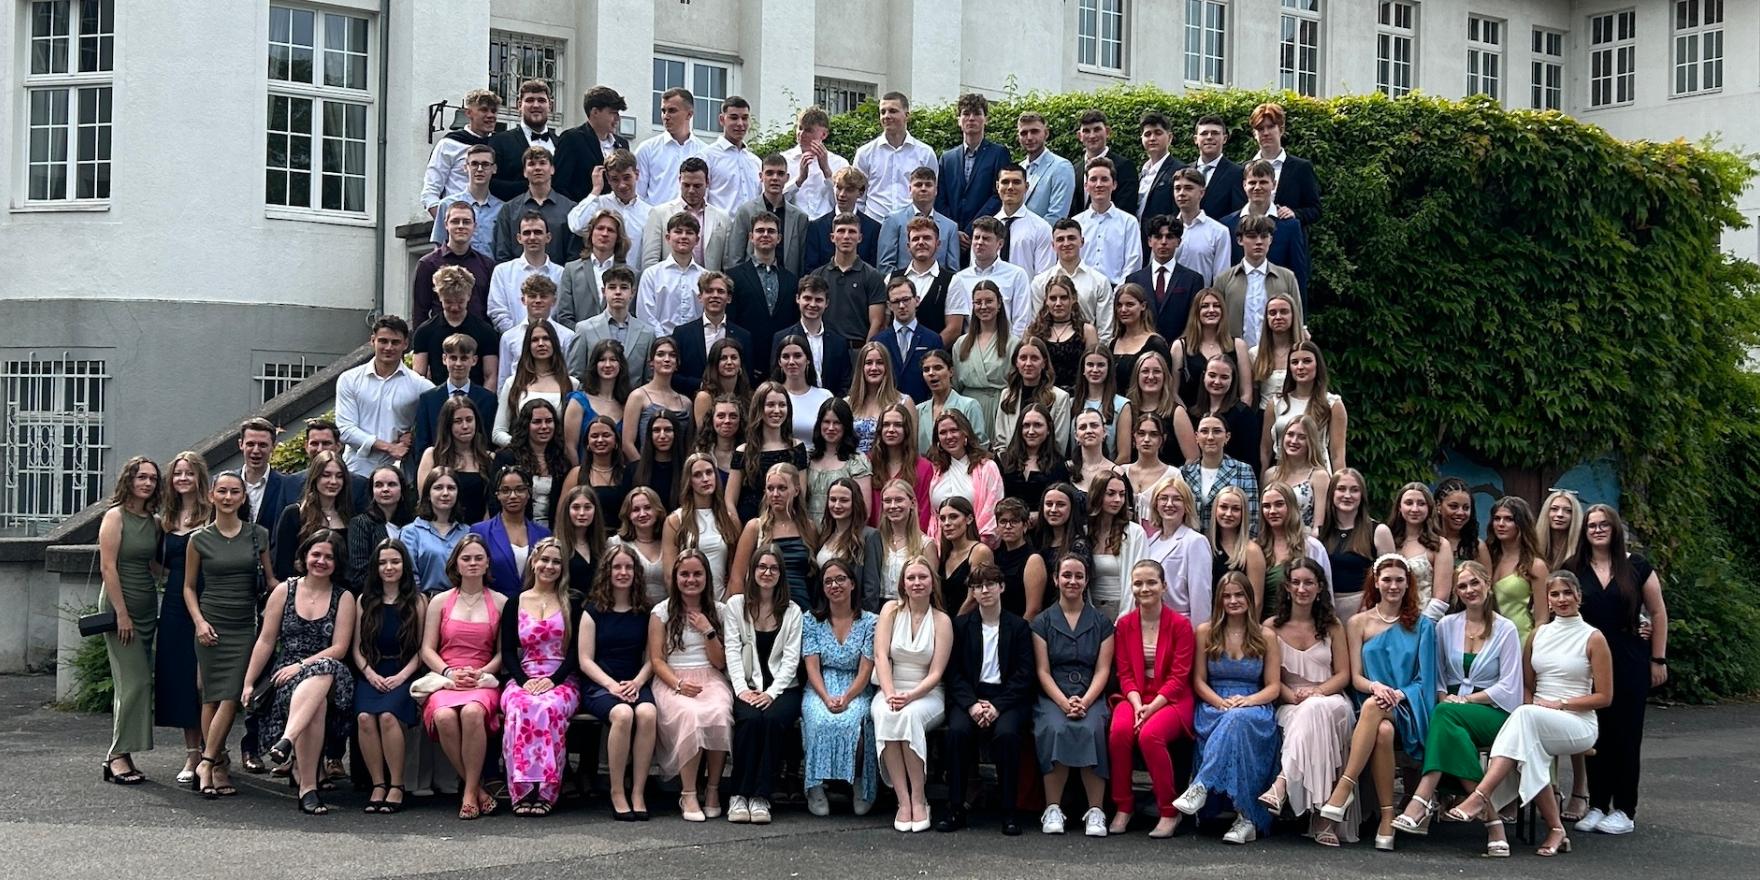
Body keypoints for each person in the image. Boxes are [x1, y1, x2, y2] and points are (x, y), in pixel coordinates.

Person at [1447, 571, 1612, 858]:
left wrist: (1560, 704)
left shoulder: (1593, 638)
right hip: (1535, 718)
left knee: (1525, 718)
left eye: (1567, 593)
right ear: (1546, 600)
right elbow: (1526, 686)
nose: (1561, 599)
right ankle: (1556, 829)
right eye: (1555, 594)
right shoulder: (1538, 634)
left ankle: (1480, 796)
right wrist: (1534, 706)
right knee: (1529, 742)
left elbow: (1604, 697)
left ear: (1579, 597)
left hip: (1578, 722)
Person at [1391, 562, 1524, 845]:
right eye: (1462, 586)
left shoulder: (1506, 629)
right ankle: (1493, 824)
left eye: (1474, 583)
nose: (1469, 590)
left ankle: (1422, 798)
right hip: (1450, 712)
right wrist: (1446, 699)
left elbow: (1510, 685)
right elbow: (1437, 677)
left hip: (1493, 712)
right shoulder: (1446, 626)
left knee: (1446, 714)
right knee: (1448, 720)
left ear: (1487, 584)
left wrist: (1465, 700)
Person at [1316, 554, 1437, 850]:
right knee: (1380, 728)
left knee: (1376, 708)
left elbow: (1426, 680)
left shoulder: (1424, 626)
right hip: (1370, 702)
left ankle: (1344, 787)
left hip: (1408, 706)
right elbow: (1355, 677)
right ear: (1376, 582)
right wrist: (1375, 686)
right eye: (1387, 580)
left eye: (1399, 580)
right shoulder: (1357, 623)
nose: (1393, 586)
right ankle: (1387, 818)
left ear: (1408, 584)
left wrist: (1398, 693)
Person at [241, 531, 357, 815]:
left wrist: (302, 665)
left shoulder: (344, 598)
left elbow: (340, 648)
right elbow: (266, 641)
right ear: (304, 556)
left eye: (329, 557)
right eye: (316, 554)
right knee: (314, 707)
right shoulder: (284, 591)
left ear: (337, 562)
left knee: (324, 671)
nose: (321, 561)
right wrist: (248, 683)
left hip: (330, 673)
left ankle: (288, 742)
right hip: (286, 678)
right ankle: (308, 787)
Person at [1569, 504, 1669, 836]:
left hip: (1629, 658)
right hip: (1589, 661)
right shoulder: (1574, 568)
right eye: (1591, 525)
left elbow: (1657, 613)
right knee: (1597, 734)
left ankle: (1625, 809)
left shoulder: (1636, 566)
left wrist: (1658, 659)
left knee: (1626, 735)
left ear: (1614, 529)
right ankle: (1597, 804)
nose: (1597, 530)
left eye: (1603, 525)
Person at [1172, 572, 1280, 844]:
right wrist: (1220, 702)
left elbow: (1273, 687)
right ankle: (1246, 819)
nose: (1233, 601)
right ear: (1219, 600)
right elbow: (1198, 680)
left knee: (1239, 721)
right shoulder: (1206, 631)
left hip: (1254, 705)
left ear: (1249, 598)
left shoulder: (1266, 635)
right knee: (1233, 721)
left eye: (1239, 595)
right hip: (1213, 704)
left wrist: (1248, 701)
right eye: (1227, 596)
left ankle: (1202, 786)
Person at [185, 472, 273, 797]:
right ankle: (217, 765)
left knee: (233, 695)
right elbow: (189, 587)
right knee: (211, 696)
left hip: (244, 625)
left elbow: (271, 581)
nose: (227, 497)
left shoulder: (257, 534)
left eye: (234, 492)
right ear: (211, 496)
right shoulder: (199, 539)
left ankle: (207, 762)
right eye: (221, 491)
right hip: (211, 623)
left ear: (242, 497)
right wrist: (199, 622)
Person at [1261, 558, 1359, 844]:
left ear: (1319, 588)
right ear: (1287, 588)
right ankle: (1323, 820)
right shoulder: (1271, 627)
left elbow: (1343, 674)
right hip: (1290, 702)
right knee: (1311, 716)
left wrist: (1317, 693)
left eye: (1308, 583)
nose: (1302, 588)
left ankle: (1281, 785)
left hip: (1332, 700)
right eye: (1296, 582)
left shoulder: (1332, 625)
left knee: (1318, 710)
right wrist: (1295, 697)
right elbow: (1272, 680)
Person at [938, 562, 1034, 835]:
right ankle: (956, 808)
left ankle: (1008, 811)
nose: (985, 590)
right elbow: (953, 673)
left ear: (1001, 587)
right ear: (973, 593)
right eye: (978, 586)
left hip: (1006, 699)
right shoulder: (961, 626)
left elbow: (1024, 675)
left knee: (1007, 735)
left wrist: (997, 706)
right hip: (970, 696)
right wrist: (971, 704)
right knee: (956, 733)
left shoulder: (1018, 627)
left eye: (990, 584)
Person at [419, 535, 508, 820]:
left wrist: (481, 673)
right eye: (466, 558)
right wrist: (448, 672)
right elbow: (427, 649)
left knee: (472, 713)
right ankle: (479, 789)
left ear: (487, 564)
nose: (472, 563)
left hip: (482, 679)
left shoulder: (501, 602)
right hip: (446, 677)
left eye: (478, 558)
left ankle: (469, 791)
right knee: (444, 716)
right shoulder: (440, 602)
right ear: (456, 563)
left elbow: (503, 654)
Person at [1106, 560, 1197, 837]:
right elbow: (1124, 672)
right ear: (1132, 588)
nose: (1144, 588)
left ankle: (1169, 811)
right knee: (1119, 732)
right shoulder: (1124, 624)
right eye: (1138, 583)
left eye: (1151, 582)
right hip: (1135, 696)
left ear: (1164, 586)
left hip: (1171, 698)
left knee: (1150, 736)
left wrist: (1151, 707)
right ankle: (1124, 805)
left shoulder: (1181, 626)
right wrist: (1137, 705)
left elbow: (1179, 677)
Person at [1032, 552, 1116, 837]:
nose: (1072, 581)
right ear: (1056, 579)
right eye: (1066, 575)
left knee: (1092, 728)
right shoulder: (1042, 622)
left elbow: (1103, 670)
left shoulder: (1102, 623)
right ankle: (1053, 808)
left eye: (1078, 576)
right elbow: (1042, 671)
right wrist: (1063, 702)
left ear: (1086, 580)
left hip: (1090, 693)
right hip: (1054, 694)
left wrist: (1086, 701)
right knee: (1055, 727)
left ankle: (1096, 811)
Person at [497, 538, 582, 817]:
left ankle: (546, 790)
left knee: (548, 708)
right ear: (533, 562)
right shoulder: (515, 602)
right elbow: (508, 650)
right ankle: (522, 790)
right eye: (544, 559)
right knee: (519, 707)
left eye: (556, 562)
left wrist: (553, 680)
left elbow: (575, 652)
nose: (549, 566)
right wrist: (523, 680)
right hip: (526, 673)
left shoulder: (572, 601)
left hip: (561, 677)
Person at [649, 550, 735, 822]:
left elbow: (721, 663)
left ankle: (712, 789)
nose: (691, 579)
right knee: (691, 715)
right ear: (675, 578)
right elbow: (656, 659)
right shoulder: (661, 612)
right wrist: (677, 683)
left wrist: (708, 629)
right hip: (673, 678)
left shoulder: (719, 611)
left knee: (720, 712)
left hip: (710, 676)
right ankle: (687, 792)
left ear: (707, 578)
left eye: (697, 574)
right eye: (684, 574)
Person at [723, 544, 806, 824]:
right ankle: (738, 794)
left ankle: (761, 796)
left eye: (773, 568)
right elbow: (732, 652)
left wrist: (771, 693)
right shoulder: (736, 606)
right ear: (752, 571)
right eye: (761, 567)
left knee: (770, 720)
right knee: (749, 720)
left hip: (784, 689)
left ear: (781, 573)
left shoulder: (793, 611)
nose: (767, 573)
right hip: (746, 685)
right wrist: (742, 690)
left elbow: (791, 660)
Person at [577, 543, 658, 820]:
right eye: (617, 567)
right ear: (607, 572)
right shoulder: (593, 609)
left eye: (628, 567)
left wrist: (636, 682)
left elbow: (652, 658)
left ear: (636, 572)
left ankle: (637, 790)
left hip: (635, 681)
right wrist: (612, 685)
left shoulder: (646, 610)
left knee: (647, 713)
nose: (623, 572)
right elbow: (585, 659)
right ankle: (616, 790)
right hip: (600, 683)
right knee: (622, 714)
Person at [872, 554, 953, 833]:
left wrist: (910, 696)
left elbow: (936, 673)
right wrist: (890, 692)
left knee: (907, 717)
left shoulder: (942, 620)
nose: (917, 582)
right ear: (902, 584)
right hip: (891, 686)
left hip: (927, 693)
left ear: (932, 583)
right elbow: (881, 656)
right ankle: (902, 801)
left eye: (922, 577)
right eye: (911, 578)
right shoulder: (890, 612)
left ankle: (920, 799)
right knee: (886, 714)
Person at [97, 456, 162, 786]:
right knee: (133, 681)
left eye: (152, 478)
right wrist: (121, 613)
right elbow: (108, 568)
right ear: (129, 480)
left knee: (138, 683)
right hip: (120, 606)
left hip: (147, 604)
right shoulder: (115, 516)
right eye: (141, 477)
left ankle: (125, 752)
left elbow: (154, 565)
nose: (147, 483)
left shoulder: (152, 520)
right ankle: (116, 756)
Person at [801, 557, 880, 816]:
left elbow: (866, 668)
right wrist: (825, 697)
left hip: (856, 685)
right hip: (821, 685)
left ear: (852, 584)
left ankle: (858, 782)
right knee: (818, 719)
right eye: (828, 582)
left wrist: (846, 697)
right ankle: (815, 786)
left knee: (855, 721)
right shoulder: (811, 620)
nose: (835, 585)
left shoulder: (870, 622)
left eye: (840, 579)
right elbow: (812, 666)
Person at [352, 538, 426, 814]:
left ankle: (397, 785)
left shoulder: (417, 601)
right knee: (364, 719)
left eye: (394, 561)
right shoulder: (365, 601)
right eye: (383, 562)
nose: (389, 567)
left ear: (404, 565)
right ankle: (377, 783)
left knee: (387, 717)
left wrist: (402, 676)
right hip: (373, 671)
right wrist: (369, 673)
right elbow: (356, 647)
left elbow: (421, 649)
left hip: (404, 672)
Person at [157, 452, 211, 784]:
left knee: (206, 682)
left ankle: (214, 749)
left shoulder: (213, 511)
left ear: (199, 476)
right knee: (181, 682)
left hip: (210, 600)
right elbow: (157, 565)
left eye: (189, 472)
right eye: (178, 473)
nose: (183, 478)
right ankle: (193, 753)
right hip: (176, 605)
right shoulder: (165, 519)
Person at [337, 316, 434, 483]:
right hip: (356, 470)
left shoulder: (419, 385)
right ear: (372, 341)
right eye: (383, 341)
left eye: (395, 342)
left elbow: (437, 417)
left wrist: (413, 434)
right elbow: (346, 429)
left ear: (405, 344)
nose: (389, 347)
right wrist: (389, 447)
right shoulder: (349, 379)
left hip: (399, 474)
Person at [410, 331, 498, 483]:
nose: (458, 364)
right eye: (453, 358)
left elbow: (488, 440)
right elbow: (422, 443)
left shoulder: (487, 399)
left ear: (474, 360)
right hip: (438, 474)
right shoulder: (429, 399)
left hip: (476, 474)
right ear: (444, 359)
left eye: (464, 358)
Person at [728, 463, 818, 609]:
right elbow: (737, 579)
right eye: (770, 488)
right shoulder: (754, 528)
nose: (775, 494)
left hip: (803, 611)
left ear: (796, 490)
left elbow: (813, 579)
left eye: (782, 488)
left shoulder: (809, 528)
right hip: (765, 612)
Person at [1220, 160, 1312, 303]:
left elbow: (1298, 275)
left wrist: (1301, 321)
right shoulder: (1227, 224)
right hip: (1237, 303)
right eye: (1252, 183)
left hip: (1277, 306)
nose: (1257, 187)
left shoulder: (1290, 226)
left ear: (1273, 185)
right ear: (1244, 185)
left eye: (1263, 182)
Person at [725, 209, 802, 374]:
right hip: (745, 362)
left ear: (779, 238)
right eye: (760, 231)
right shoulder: (733, 277)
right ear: (751, 237)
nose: (765, 234)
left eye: (771, 231)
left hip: (782, 365)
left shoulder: (791, 280)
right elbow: (731, 324)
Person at [726, 381, 811, 524]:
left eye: (782, 405)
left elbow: (800, 496)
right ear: (759, 408)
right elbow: (730, 500)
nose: (777, 411)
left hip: (787, 526)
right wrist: (738, 531)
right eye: (770, 405)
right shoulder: (743, 451)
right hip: (749, 526)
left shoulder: (797, 448)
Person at [1219, 217, 1305, 351]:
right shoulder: (1224, 280)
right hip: (1236, 355)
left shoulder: (1287, 277)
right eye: (1252, 236)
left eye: (1264, 236)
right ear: (1240, 240)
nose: (1258, 242)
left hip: (1277, 354)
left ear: (1270, 240)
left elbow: (1297, 319)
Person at [1319, 468, 1396, 617]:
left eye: (1354, 490)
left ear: (1362, 495)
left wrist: (1368, 605)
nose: (1347, 495)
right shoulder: (1319, 534)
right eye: (1341, 489)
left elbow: (1390, 575)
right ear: (1331, 494)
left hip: (1365, 609)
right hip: (1327, 610)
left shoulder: (1379, 532)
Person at [853, 91, 938, 224]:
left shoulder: (925, 153)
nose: (886, 116)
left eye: (893, 111)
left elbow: (932, 194)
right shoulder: (865, 153)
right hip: (874, 225)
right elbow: (857, 196)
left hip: (913, 227)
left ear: (907, 116)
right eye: (883, 112)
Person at [661, 452, 738, 598]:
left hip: (722, 601)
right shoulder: (675, 521)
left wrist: (726, 604)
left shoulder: (730, 519)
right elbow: (669, 575)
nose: (705, 479)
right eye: (697, 475)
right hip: (687, 603)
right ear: (689, 481)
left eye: (709, 473)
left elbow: (736, 571)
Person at [411, 264, 500, 389]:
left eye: (460, 301)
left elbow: (490, 376)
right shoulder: (425, 332)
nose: (454, 307)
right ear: (439, 297)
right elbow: (419, 376)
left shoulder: (485, 332)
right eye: (448, 302)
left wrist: (484, 404)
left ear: (469, 296)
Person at [1142, 473, 1214, 625]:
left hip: (1181, 625)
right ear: (1155, 504)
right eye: (1163, 498)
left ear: (1187, 505)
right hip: (1152, 625)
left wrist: (1198, 635)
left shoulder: (1195, 541)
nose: (1169, 504)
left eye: (1177, 499)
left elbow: (1200, 596)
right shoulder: (1149, 541)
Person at [1264, 341, 1346, 475]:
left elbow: (1337, 454)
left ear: (1317, 365)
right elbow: (1265, 449)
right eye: (1295, 362)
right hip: (1282, 475)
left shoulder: (1332, 404)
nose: (1300, 367)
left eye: (1307, 361)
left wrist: (1339, 485)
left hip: (1318, 475)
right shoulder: (1276, 403)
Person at [471, 466, 554, 598]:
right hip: (494, 607)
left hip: (532, 609)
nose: (513, 496)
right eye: (505, 490)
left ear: (529, 493)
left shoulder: (544, 534)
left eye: (520, 489)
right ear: (497, 495)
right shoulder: (480, 531)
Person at [493, 312, 577, 442]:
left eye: (546, 338)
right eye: (535, 340)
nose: (541, 343)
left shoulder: (572, 384)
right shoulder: (513, 383)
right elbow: (498, 432)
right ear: (528, 345)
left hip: (558, 458)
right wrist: (522, 447)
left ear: (554, 343)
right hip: (521, 458)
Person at [272, 450, 352, 582]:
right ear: (315, 478)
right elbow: (282, 566)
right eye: (326, 475)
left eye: (339, 476)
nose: (333, 481)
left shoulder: (349, 516)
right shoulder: (293, 514)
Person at [927, 410, 1005, 545]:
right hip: (939, 548)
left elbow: (993, 509)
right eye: (943, 432)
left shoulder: (987, 467)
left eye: (954, 430)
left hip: (977, 546)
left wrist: (974, 547)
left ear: (965, 433)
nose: (949, 436)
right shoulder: (935, 470)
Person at [1034, 219, 1117, 344]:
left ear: (1082, 241)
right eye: (1060, 239)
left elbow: (1105, 330)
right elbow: (1037, 324)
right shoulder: (1040, 282)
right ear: (1053, 245)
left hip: (1088, 352)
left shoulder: (1099, 281)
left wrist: (1095, 358)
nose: (1066, 243)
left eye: (1071, 238)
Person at [1124, 216, 1207, 341]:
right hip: (1141, 349)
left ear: (1178, 241)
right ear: (1149, 241)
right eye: (1158, 237)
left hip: (1180, 348)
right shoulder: (1134, 280)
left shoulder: (1193, 280)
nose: (1163, 242)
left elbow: (1194, 321)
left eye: (1169, 237)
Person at [948, 216, 1033, 338]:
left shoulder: (1016, 275)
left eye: (986, 238)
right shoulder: (960, 279)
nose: (979, 242)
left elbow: (1022, 321)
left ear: (1000, 244)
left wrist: (1011, 350)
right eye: (976, 237)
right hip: (971, 348)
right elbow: (956, 324)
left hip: (1007, 347)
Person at [414, 199, 496, 323]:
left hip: (478, 338)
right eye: (455, 221)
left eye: (466, 222)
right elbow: (420, 312)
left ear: (475, 226)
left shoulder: (487, 265)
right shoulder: (427, 264)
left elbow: (490, 309)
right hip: (439, 338)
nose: (461, 226)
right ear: (446, 225)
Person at [492, 149, 578, 268]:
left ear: (552, 169)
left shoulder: (571, 209)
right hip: (517, 280)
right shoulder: (509, 210)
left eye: (542, 163)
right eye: (531, 164)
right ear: (524, 172)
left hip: (558, 279)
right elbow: (502, 254)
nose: (537, 168)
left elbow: (574, 256)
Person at [570, 267, 656, 386]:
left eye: (624, 287)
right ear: (603, 292)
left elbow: (649, 379)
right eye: (612, 287)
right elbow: (576, 377)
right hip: (595, 400)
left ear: (633, 292)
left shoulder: (647, 333)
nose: (618, 292)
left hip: (632, 401)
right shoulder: (585, 329)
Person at [489, 212, 570, 337]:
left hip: (553, 344)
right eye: (527, 233)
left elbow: (563, 313)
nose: (532, 237)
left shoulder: (562, 274)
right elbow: (497, 312)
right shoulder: (502, 272)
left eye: (538, 232)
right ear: (519, 238)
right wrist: (519, 338)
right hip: (514, 344)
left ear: (548, 237)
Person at [424, 86, 499, 219]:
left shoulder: (499, 145)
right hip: (457, 222)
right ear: (468, 113)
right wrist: (445, 225)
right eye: (483, 110)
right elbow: (430, 192)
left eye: (493, 111)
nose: (490, 115)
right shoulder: (449, 144)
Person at [673, 273, 753, 397]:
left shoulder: (743, 336)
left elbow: (748, 375)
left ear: (729, 298)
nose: (715, 295)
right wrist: (702, 386)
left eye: (720, 291)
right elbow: (674, 375)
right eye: (709, 291)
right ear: (700, 297)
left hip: (733, 405)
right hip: (691, 401)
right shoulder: (682, 334)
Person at [491, 399, 569, 525]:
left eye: (549, 421)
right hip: (515, 528)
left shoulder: (561, 460)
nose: (544, 427)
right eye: (537, 422)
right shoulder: (507, 457)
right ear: (526, 425)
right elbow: (494, 501)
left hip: (552, 532)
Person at [414, 397, 490, 527]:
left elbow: (491, 505)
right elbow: (424, 500)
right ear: (448, 425)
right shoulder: (432, 455)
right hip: (439, 530)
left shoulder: (488, 458)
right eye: (458, 421)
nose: (465, 426)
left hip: (477, 531)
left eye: (469, 420)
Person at [1257, 482, 1332, 609]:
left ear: (1291, 506)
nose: (1272, 511)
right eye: (1266, 506)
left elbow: (1326, 592)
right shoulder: (1256, 547)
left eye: (1279, 504)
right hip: (1265, 624)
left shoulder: (1312, 547)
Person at [1170, 289, 1250, 408]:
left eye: (1217, 306)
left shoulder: (1239, 346)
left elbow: (1246, 393)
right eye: (1205, 306)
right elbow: (1173, 392)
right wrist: (1185, 419)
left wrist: (1237, 418)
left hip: (1230, 421)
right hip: (1190, 421)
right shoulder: (1180, 347)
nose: (1211, 310)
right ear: (1196, 312)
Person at [1248, 102, 1322, 229]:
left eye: (1270, 127)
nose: (1265, 133)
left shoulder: (1301, 168)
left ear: (1281, 129)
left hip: (1287, 241)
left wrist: (1295, 213)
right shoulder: (1244, 169)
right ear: (1255, 134)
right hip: (1251, 240)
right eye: (1260, 129)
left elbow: (1315, 210)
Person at [1086, 471, 1149, 618]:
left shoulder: (1135, 533)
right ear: (1097, 494)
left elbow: (1140, 577)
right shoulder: (1084, 532)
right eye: (1111, 493)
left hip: (1123, 609)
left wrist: (1125, 618)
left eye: (1122, 494)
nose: (1117, 499)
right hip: (1090, 610)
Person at [816, 477, 886, 613]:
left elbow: (871, 587)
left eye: (844, 500)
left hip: (855, 616)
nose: (837, 505)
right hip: (825, 614)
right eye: (833, 499)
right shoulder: (824, 535)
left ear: (855, 502)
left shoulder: (869, 536)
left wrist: (862, 621)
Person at [568, 149, 654, 257]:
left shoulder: (650, 212)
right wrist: (596, 190)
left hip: (635, 272)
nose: (622, 185)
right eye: (615, 179)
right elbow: (576, 226)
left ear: (636, 174)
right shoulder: (598, 204)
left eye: (626, 178)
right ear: (608, 179)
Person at [993, 336, 1072, 454]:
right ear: (1016, 362)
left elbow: (1059, 444)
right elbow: (1000, 442)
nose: (1028, 363)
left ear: (1044, 363)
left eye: (1034, 358)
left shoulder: (1060, 398)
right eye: (1023, 358)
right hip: (1009, 466)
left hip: (1046, 466)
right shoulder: (1007, 395)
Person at [1182, 413, 1260, 534]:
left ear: (1227, 437)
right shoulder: (1185, 473)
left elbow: (1252, 517)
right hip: (1193, 547)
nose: (1210, 437)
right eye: (1204, 431)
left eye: (1217, 431)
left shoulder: (1243, 470)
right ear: (1196, 437)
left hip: (1231, 546)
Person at [951, 281, 1017, 422]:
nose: (983, 306)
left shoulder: (1013, 343)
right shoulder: (961, 344)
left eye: (989, 301)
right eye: (978, 302)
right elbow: (955, 385)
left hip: (1000, 410)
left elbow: (1017, 385)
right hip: (967, 411)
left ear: (999, 304)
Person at [552, 84, 629, 203]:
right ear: (595, 112)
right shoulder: (571, 139)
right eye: (612, 113)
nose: (617, 118)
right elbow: (560, 185)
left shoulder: (622, 144)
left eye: (618, 113)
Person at [1487, 497, 1551, 640]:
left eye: (1509, 519)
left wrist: (1531, 650)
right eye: (1497, 519)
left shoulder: (1535, 565)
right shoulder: (1488, 558)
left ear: (1521, 524)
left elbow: (1542, 619)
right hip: (1487, 639)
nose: (1501, 524)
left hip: (1521, 638)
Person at [554, 208, 630, 328]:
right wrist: (585, 337)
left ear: (618, 237)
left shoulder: (631, 274)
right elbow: (564, 316)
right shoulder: (571, 270)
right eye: (600, 228)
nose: (604, 234)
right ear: (590, 233)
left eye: (610, 230)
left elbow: (633, 315)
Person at [1072, 157, 1142, 285]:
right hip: (1080, 292)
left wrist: (1119, 293)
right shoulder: (1076, 223)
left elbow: (1133, 262)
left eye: (1104, 179)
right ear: (1086, 186)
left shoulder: (1129, 222)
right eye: (1093, 179)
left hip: (1117, 292)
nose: (1099, 184)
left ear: (1114, 184)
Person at [876, 166, 960, 273]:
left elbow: (953, 270)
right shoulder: (893, 220)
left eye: (928, 185)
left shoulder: (950, 227)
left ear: (936, 190)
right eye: (918, 184)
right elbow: (885, 265)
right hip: (901, 286)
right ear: (910, 189)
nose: (923, 188)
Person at [867, 403, 935, 531]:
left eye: (898, 425)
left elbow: (924, 512)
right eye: (886, 424)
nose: (891, 429)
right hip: (874, 541)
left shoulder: (924, 467)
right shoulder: (868, 463)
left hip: (911, 541)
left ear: (907, 430)